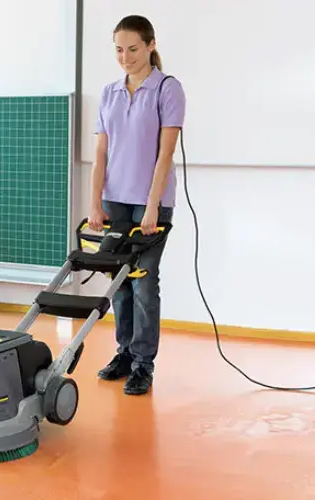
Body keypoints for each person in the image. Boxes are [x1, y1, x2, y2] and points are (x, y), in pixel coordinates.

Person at [88, 14, 186, 395]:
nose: (125, 58)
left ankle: (144, 364)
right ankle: (125, 354)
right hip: (114, 200)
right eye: (118, 50)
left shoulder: (167, 89)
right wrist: (95, 203)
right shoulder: (109, 92)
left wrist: (152, 205)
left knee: (144, 282)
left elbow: (165, 154)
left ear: (150, 45)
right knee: (120, 282)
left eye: (132, 49)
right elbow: (101, 153)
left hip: (150, 204)